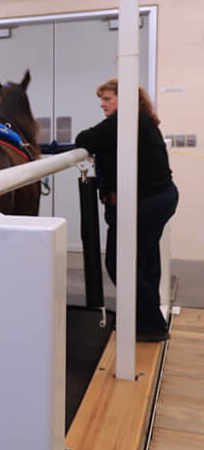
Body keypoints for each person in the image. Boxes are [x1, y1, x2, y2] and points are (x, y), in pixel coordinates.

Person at [75, 79, 179, 341]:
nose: (102, 104)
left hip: (147, 203)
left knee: (119, 263)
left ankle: (152, 324)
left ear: (126, 100)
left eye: (108, 99)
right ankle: (143, 321)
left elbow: (85, 139)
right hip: (159, 198)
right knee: (145, 262)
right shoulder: (140, 120)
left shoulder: (126, 120)